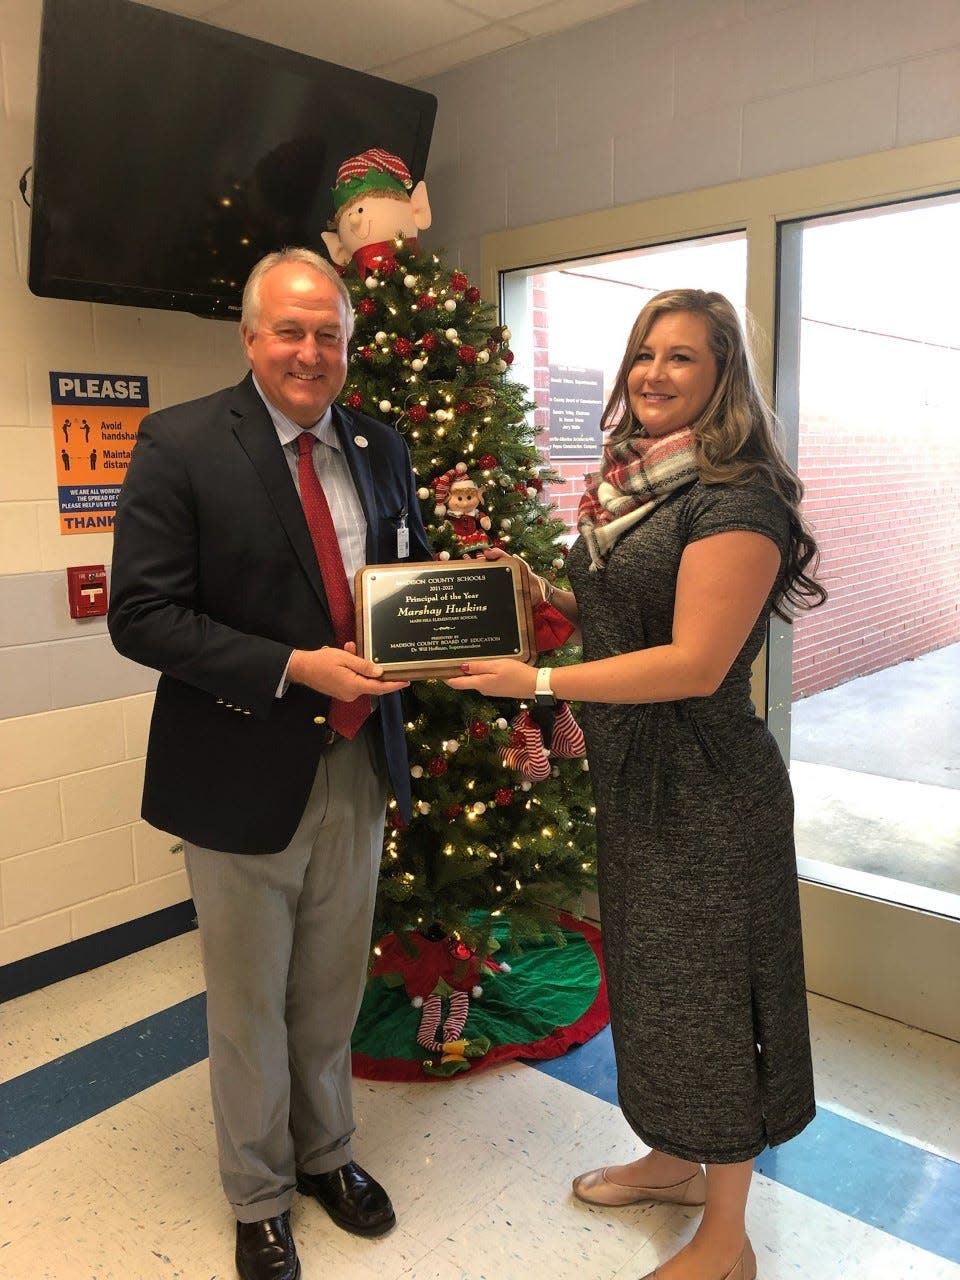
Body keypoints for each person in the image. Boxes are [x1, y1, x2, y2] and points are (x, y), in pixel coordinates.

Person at [447, 289, 826, 1280]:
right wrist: (546, 596)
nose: (654, 373)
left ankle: (726, 1234)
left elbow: (693, 661)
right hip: (635, 777)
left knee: (712, 996)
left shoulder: (738, 500)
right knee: (653, 984)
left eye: (683, 358)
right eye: (643, 354)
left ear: (722, 375)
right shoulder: (636, 487)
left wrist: (533, 676)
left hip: (708, 787)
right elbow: (631, 616)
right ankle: (673, 1157)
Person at [108, 247, 432, 1280]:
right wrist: (293, 665)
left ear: (348, 343)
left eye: (328, 333)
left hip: (357, 762)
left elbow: (404, 575)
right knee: (247, 997)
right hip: (240, 763)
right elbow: (142, 614)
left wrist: (437, 623)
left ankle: (327, 1151)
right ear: (251, 337)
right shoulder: (183, 442)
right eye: (290, 330)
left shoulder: (381, 444)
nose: (310, 351)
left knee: (332, 985)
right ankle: (255, 1192)